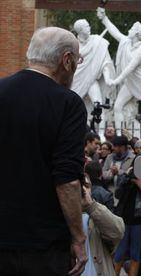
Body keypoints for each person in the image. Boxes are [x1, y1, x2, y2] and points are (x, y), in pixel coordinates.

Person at [0, 27, 87, 275]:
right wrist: (78, 238)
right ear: (66, 60)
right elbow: (67, 180)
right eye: (78, 60)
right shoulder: (68, 104)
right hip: (44, 245)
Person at [97, 7, 141, 133]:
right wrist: (104, 18)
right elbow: (114, 31)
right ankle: (120, 133)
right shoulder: (126, 42)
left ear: (137, 34)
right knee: (118, 106)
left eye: (131, 29)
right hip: (130, 83)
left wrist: (115, 81)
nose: (128, 30)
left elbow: (129, 68)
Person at [71, 18, 115, 125]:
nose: (89, 28)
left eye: (88, 25)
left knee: (98, 104)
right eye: (86, 26)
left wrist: (108, 78)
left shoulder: (98, 42)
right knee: (72, 107)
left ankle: (100, 134)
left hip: (91, 80)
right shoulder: (73, 45)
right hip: (76, 80)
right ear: (80, 30)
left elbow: (105, 63)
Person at [81, 176, 125, 276]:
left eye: (86, 186)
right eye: (78, 186)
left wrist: (91, 206)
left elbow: (118, 231)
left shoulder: (97, 216)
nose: (82, 190)